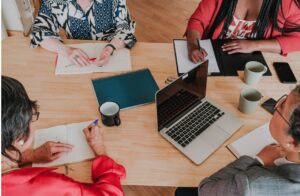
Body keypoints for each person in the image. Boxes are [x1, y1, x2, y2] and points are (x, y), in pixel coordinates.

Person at [1, 76, 126, 196]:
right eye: (31, 117)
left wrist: (27, 156)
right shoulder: (51, 187)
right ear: (20, 138)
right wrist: (101, 152)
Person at [195, 85, 300, 195]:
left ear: (294, 143)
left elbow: (205, 190)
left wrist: (258, 159)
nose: (276, 105)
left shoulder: (250, 185)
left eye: (283, 105)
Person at [186, 0, 300, 63]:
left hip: (255, 64)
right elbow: (198, 21)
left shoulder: (288, 4)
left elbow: (297, 40)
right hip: (213, 57)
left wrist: (253, 45)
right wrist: (193, 45)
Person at [30, 0, 136, 67]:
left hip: (114, 51)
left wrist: (110, 48)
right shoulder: (53, 1)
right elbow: (39, 31)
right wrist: (66, 50)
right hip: (76, 59)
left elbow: (125, 29)